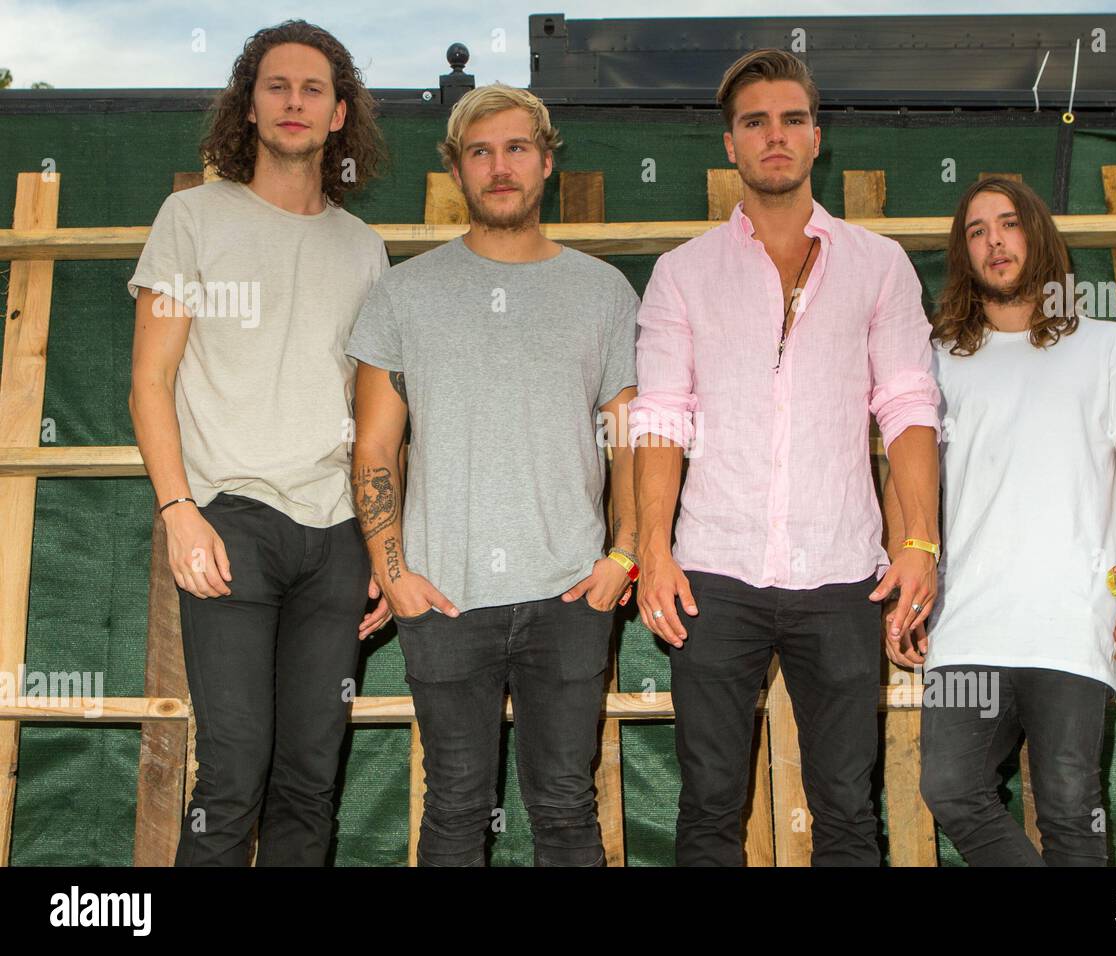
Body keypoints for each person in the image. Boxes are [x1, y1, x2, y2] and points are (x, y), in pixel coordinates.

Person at [629, 49, 942, 866]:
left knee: (846, 807)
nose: (776, 135)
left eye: (792, 119)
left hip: (842, 572)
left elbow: (907, 407)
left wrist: (920, 543)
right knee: (707, 807)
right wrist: (652, 552)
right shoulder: (681, 273)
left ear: (816, 138)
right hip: (713, 572)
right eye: (755, 122)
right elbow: (661, 419)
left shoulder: (880, 265)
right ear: (730, 144)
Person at [346, 83, 640, 867]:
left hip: (571, 593)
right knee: (453, 809)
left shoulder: (603, 291)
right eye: (480, 151)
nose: (499, 166)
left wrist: (625, 555)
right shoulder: (403, 293)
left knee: (566, 809)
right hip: (443, 596)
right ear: (455, 168)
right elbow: (374, 447)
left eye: (515, 148)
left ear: (546, 161)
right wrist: (394, 570)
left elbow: (632, 438)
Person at [127, 20, 390, 866]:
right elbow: (149, 382)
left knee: (311, 778)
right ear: (250, 103)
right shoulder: (193, 218)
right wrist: (179, 511)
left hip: (337, 536)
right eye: (277, 86)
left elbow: (382, 414)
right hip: (230, 524)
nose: (294, 102)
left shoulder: (364, 248)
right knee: (233, 773)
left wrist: (386, 547)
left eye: (314, 89)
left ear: (339, 114)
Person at [883, 177, 1116, 866]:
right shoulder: (934, 359)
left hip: (1071, 625)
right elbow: (904, 480)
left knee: (1072, 807)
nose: (994, 241)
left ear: (1036, 234)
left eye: (1007, 224)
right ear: (964, 253)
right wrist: (907, 594)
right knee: (950, 788)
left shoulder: (1110, 348)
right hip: (963, 626)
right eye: (977, 230)